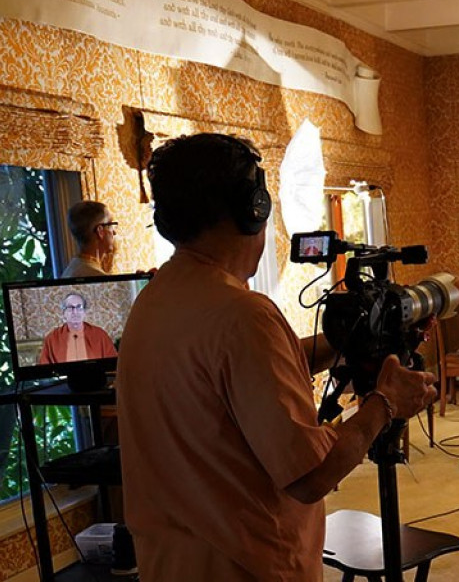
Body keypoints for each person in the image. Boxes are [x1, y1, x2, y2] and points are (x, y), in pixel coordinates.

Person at [116, 133, 436, 580]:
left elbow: (241, 380)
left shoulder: (155, 301)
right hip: (250, 567)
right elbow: (311, 476)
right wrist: (385, 403)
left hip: (172, 563)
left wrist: (349, 340)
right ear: (255, 208)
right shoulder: (242, 315)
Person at [37, 291, 118, 364]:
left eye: (79, 307)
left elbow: (113, 364)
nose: (75, 312)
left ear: (84, 312)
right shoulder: (52, 339)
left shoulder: (100, 335)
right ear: (64, 313)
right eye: (70, 307)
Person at [61, 200, 118, 277]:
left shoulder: (73, 267)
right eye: (111, 224)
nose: (114, 232)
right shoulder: (96, 277)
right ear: (100, 231)